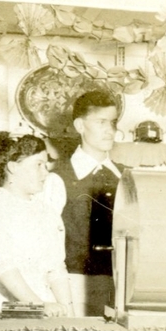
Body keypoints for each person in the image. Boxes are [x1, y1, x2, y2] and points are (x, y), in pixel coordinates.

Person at [0, 132, 74, 317]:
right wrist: (38, 305)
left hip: (47, 305)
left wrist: (69, 313)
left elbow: (57, 269)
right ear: (13, 167)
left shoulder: (47, 211)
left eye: (46, 165)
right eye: (38, 164)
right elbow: (3, 267)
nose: (45, 172)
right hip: (7, 307)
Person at [54, 90, 125, 317]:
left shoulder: (126, 177)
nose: (110, 130)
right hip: (73, 285)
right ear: (80, 126)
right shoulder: (58, 177)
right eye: (101, 122)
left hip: (121, 285)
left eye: (113, 122)